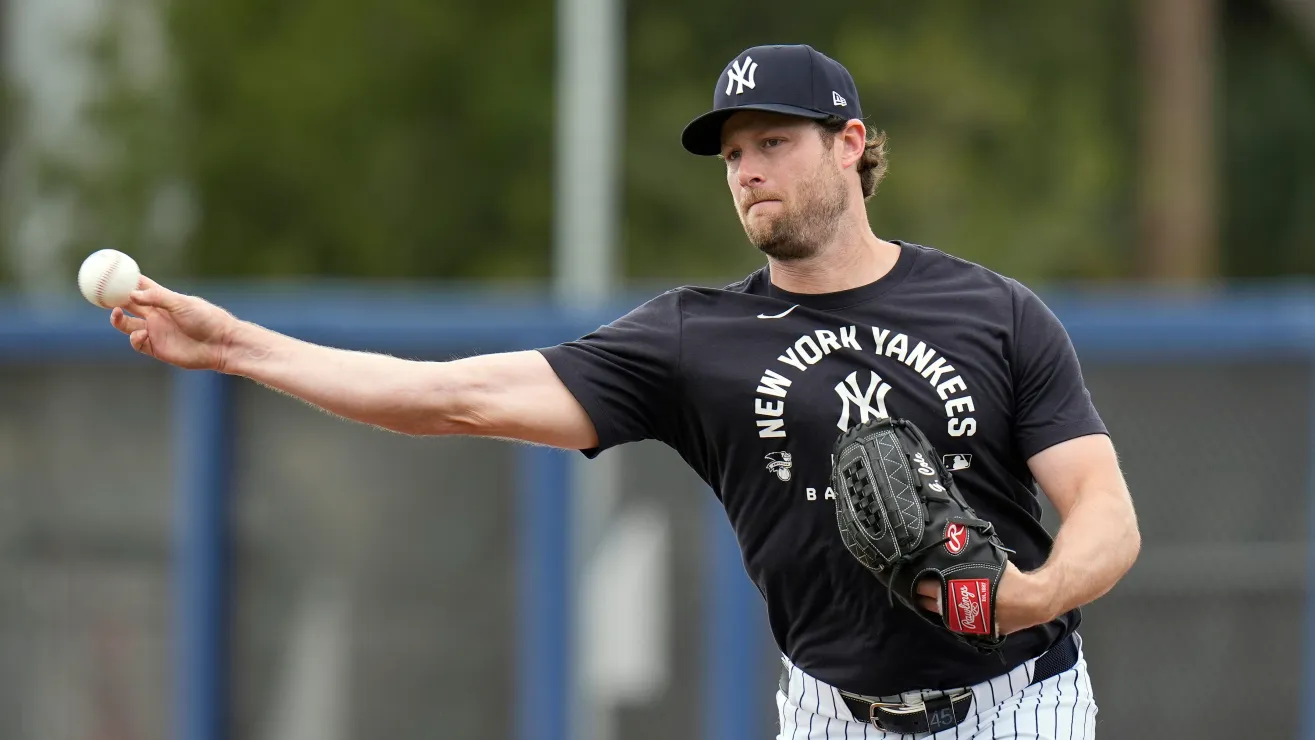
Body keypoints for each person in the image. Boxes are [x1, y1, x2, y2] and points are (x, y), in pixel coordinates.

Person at [111, 43, 1140, 739]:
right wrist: (235, 344)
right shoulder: (695, 338)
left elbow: (1105, 512)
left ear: (852, 144)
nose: (747, 170)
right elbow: (450, 395)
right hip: (835, 712)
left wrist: (1031, 594)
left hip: (1022, 702)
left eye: (773, 141)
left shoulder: (993, 311)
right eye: (732, 153)